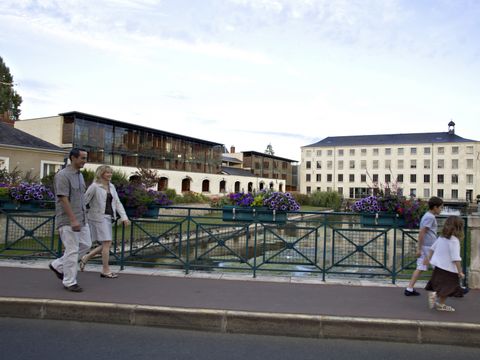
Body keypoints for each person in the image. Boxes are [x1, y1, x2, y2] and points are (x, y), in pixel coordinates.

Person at [49, 148, 91, 292]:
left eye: (85, 158)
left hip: (82, 217)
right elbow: (63, 198)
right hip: (68, 220)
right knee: (72, 250)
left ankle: (58, 265)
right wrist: (73, 220)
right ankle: (69, 282)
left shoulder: (79, 176)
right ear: (73, 158)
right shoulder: (63, 175)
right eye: (82, 158)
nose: (85, 161)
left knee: (86, 244)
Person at [80, 165, 130, 278]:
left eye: (110, 172)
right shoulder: (94, 186)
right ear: (101, 173)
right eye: (107, 173)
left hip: (108, 217)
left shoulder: (111, 186)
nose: (110, 175)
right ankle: (105, 270)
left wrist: (124, 217)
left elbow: (117, 202)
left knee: (106, 244)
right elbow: (84, 201)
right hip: (97, 217)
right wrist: (81, 215)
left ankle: (86, 257)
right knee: (107, 243)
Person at [404, 196, 443, 296]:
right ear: (435, 207)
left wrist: (420, 248)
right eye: (440, 207)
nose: (441, 210)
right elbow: (422, 232)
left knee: (421, 267)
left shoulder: (427, 216)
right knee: (439, 267)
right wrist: (419, 248)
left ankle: (409, 289)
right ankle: (448, 289)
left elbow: (423, 232)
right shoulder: (430, 217)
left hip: (426, 246)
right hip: (429, 247)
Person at [424, 216, 465, 312]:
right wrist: (460, 272)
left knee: (441, 284)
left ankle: (438, 300)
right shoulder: (454, 241)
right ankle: (438, 300)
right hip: (449, 268)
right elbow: (456, 258)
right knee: (449, 287)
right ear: (459, 228)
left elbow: (432, 248)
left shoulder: (441, 237)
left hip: (438, 266)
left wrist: (428, 259)